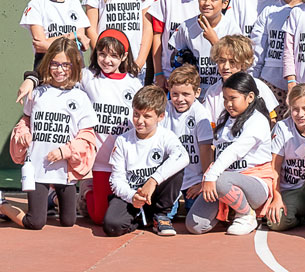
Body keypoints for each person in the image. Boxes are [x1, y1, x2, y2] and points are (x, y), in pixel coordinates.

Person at [0, 38, 98, 230]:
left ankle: (52, 197)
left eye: (65, 65)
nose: (59, 70)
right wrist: (23, 132)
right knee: (35, 222)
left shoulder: (81, 98)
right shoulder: (38, 93)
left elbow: (87, 136)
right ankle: (2, 205)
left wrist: (66, 151)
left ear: (74, 65)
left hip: (63, 170)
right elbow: (25, 120)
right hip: (38, 168)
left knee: (68, 221)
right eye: (55, 64)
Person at [186, 72, 277, 236]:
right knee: (195, 225)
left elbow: (235, 151)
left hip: (255, 184)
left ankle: (246, 214)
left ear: (249, 97)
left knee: (220, 180)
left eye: (232, 98)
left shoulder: (258, 120)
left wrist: (211, 177)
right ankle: (229, 210)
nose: (228, 104)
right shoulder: (225, 119)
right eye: (225, 99)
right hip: (224, 183)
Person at [104, 86, 190, 237]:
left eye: (147, 116)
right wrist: (132, 197)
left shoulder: (166, 136)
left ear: (161, 116)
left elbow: (183, 157)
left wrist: (153, 180)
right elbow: (116, 179)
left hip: (155, 195)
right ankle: (143, 219)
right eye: (136, 114)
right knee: (112, 226)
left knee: (176, 166)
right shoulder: (123, 140)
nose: (140, 121)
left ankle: (161, 215)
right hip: (133, 194)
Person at [79, 29, 145, 225]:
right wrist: (32, 80)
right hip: (99, 163)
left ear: (124, 56)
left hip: (124, 163)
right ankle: (87, 190)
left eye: (114, 56)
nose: (107, 60)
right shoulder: (87, 77)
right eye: (102, 54)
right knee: (99, 218)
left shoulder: (134, 84)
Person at [148, 0, 216, 88]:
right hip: (169, 76)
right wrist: (159, 73)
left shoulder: (209, 3)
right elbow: (157, 36)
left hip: (199, 80)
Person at [167, 0, 241, 99]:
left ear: (224, 4)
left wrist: (215, 42)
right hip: (194, 96)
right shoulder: (186, 27)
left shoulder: (232, 28)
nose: (207, 3)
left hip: (222, 95)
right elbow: (176, 59)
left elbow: (238, 64)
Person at [266, 83, 305, 232]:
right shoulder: (282, 128)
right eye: (295, 109)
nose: (300, 114)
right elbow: (274, 166)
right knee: (275, 222)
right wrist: (276, 196)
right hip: (291, 191)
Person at [250, 0, 305, 119]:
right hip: (270, 82)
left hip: (297, 84)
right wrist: (254, 79)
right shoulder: (270, 11)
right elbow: (258, 48)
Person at [18, 0, 89, 75]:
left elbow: (83, 43)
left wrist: (51, 42)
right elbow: (40, 45)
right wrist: (72, 36)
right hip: (48, 71)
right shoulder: (36, 5)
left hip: (75, 70)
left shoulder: (75, 3)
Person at [162, 65, 214, 219]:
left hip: (194, 178)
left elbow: (206, 149)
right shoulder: (165, 109)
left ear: (197, 93)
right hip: (170, 177)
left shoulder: (200, 114)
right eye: (175, 94)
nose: (180, 99)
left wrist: (204, 182)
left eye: (186, 94)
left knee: (196, 216)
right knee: (164, 213)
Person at [203, 35, 278, 122]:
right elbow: (209, 124)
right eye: (222, 61)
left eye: (232, 62)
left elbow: (272, 119)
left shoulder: (259, 86)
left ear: (243, 63)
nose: (226, 67)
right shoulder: (212, 92)